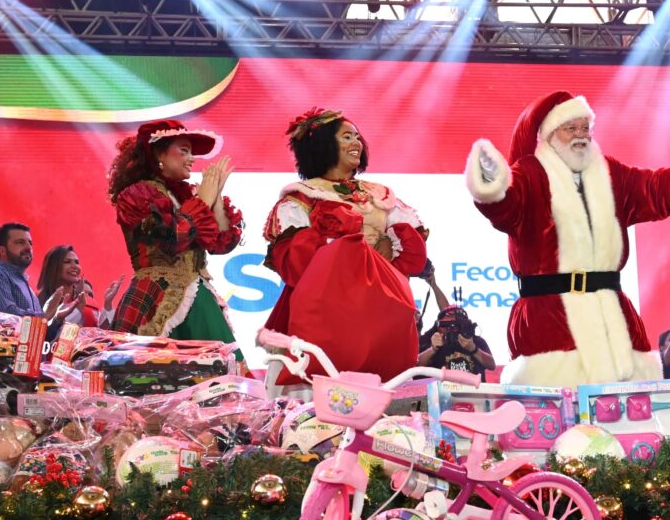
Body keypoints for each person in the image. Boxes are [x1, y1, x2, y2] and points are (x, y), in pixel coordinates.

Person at [465, 89, 670, 386]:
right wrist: (491, 182)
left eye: (584, 127)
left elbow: (657, 189)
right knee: (558, 399)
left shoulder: (611, 173)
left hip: (613, 318)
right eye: (570, 128)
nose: (580, 135)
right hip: (550, 318)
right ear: (550, 135)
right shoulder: (530, 173)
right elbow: (504, 208)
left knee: (629, 402)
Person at [262, 108, 428, 383]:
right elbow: (296, 264)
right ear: (323, 144)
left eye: (357, 137)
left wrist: (385, 249)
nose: (356, 143)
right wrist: (345, 250)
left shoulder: (379, 194)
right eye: (347, 137)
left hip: (378, 307)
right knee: (317, 388)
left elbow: (411, 252)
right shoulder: (302, 197)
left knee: (381, 388)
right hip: (325, 311)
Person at [106, 119, 242, 353]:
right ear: (159, 153)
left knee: (217, 369)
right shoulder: (137, 195)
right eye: (184, 150)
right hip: (154, 297)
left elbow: (221, 244)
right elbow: (171, 238)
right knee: (151, 368)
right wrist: (203, 201)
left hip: (198, 299)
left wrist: (216, 197)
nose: (192, 159)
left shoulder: (186, 198)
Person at [0, 223, 79, 328]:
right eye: (20, 242)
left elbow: (37, 333)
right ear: (2, 251)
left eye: (30, 243)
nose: (28, 247)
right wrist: (44, 315)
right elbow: (7, 318)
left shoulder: (28, 290)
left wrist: (57, 319)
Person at [36, 245, 124, 329]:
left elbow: (102, 331)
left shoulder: (88, 302)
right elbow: (43, 333)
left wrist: (108, 303)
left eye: (77, 262)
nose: (75, 266)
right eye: (67, 262)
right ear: (53, 267)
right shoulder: (37, 302)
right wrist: (77, 310)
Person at [417, 306, 496, 374]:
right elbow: (416, 367)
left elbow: (492, 365)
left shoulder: (476, 341)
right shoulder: (438, 343)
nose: (451, 329)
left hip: (473, 387)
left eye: (456, 325)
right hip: (445, 387)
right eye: (446, 326)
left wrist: (473, 349)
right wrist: (433, 349)